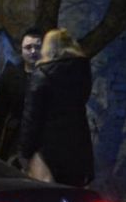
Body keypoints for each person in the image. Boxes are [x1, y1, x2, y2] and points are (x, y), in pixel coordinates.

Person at [17, 28, 95, 187]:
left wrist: (24, 152)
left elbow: (32, 117)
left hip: (47, 149)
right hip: (78, 145)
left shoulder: (41, 74)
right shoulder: (82, 71)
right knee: (73, 197)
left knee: (45, 199)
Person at [0, 27, 44, 162]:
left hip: (43, 142)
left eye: (37, 47)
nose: (33, 51)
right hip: (15, 142)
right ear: (22, 50)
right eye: (28, 47)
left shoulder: (50, 77)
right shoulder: (10, 77)